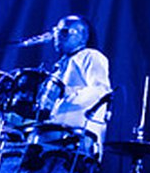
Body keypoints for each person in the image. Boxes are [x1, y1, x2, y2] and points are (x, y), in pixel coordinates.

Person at [44, 14, 113, 159]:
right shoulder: (60, 66)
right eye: (56, 31)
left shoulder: (91, 56)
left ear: (83, 37)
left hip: (78, 139)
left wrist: (65, 93)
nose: (57, 36)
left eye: (64, 31)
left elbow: (101, 91)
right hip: (57, 136)